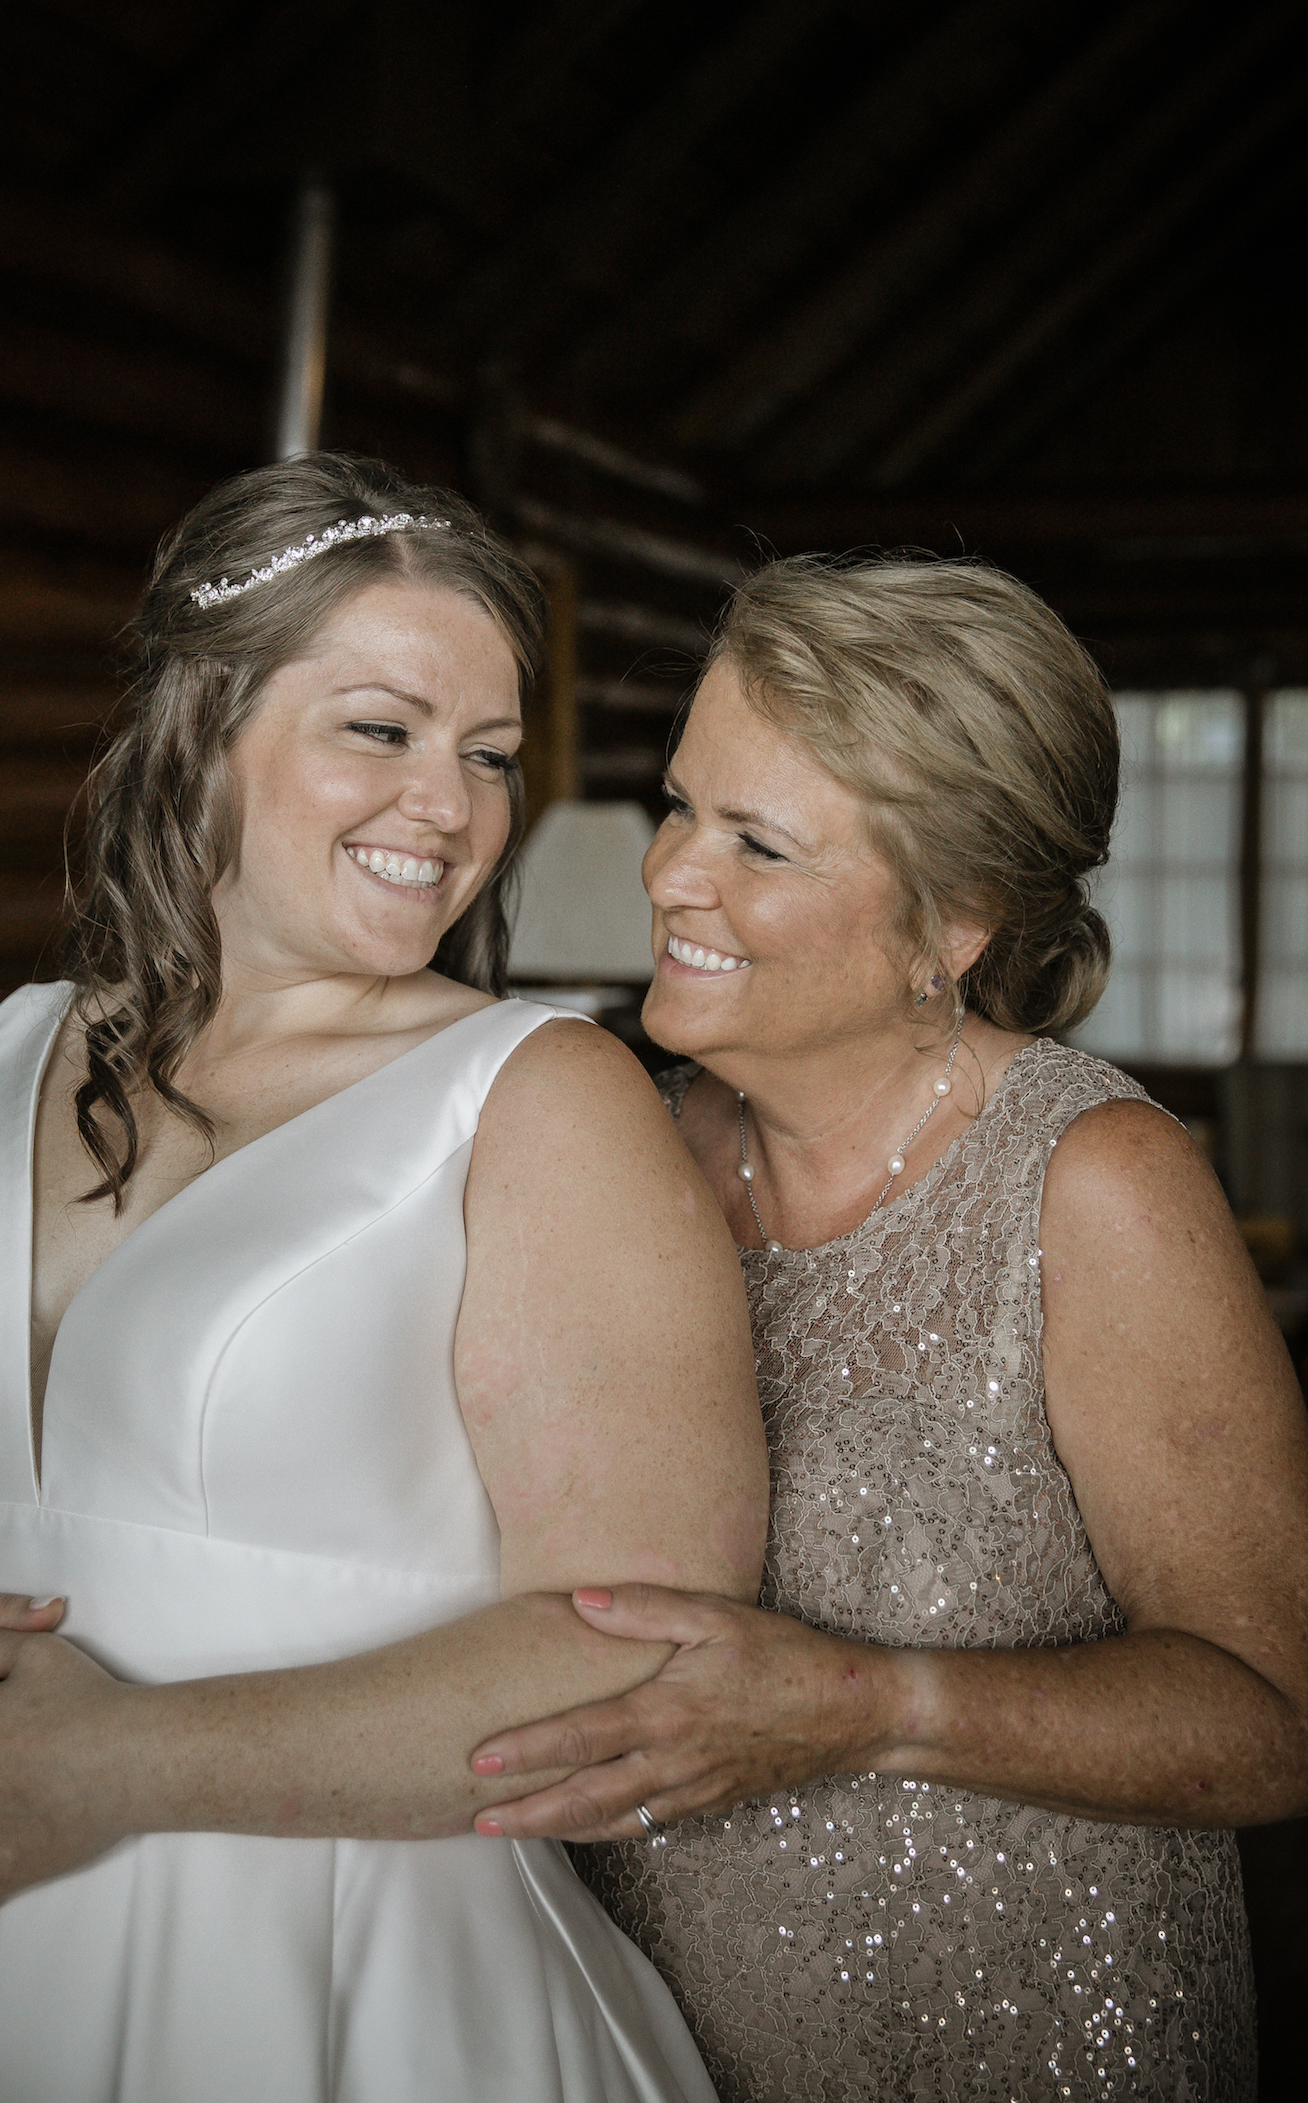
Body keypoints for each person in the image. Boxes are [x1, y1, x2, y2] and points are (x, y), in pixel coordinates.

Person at [0, 454, 767, 2103]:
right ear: (204, 723)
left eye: (484, 754)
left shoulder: (537, 1097)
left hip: (337, 1971)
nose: (453, 808)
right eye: (381, 730)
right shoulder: (6, 1047)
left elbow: (639, 1647)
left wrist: (117, 1765)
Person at [467, 555, 1308, 2102]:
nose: (668, 876)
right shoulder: (611, 1156)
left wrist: (862, 1705)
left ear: (955, 922)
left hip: (1039, 2042)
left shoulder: (1093, 1186)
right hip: (648, 2049)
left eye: (758, 843)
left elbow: (1268, 1717)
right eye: (680, 803)